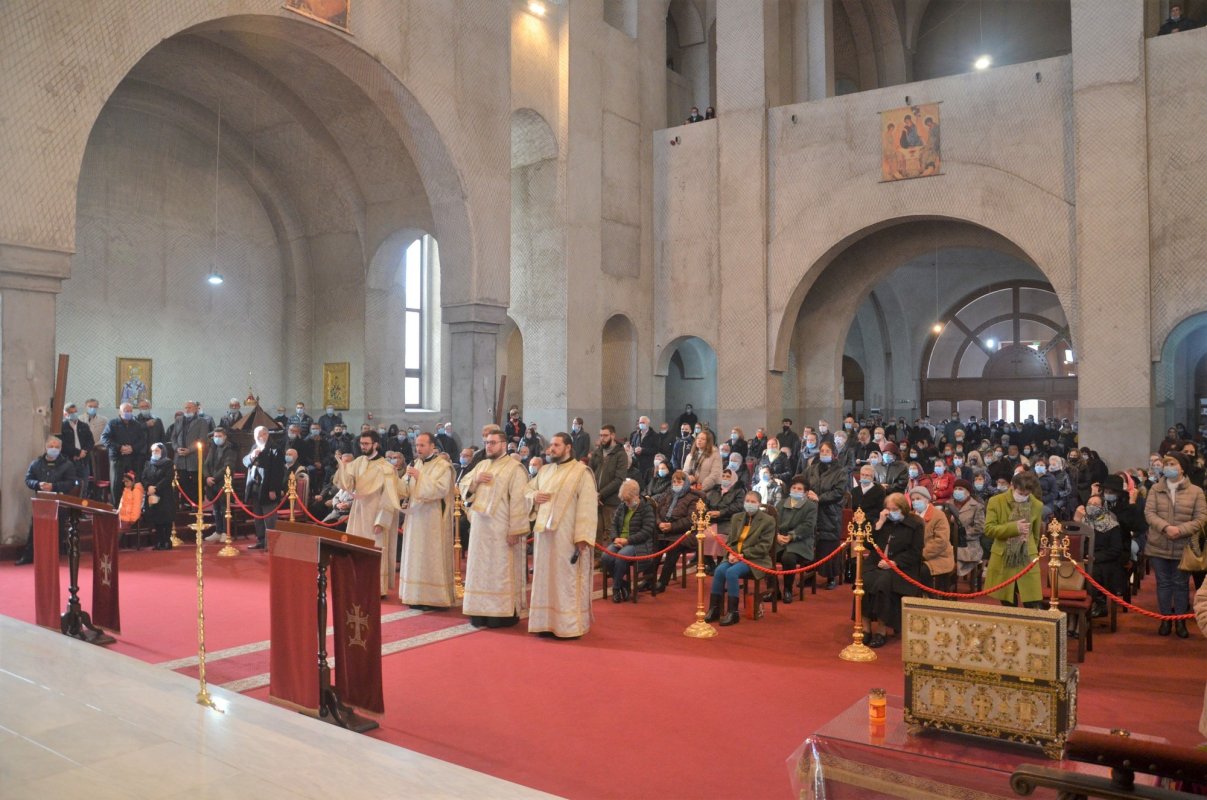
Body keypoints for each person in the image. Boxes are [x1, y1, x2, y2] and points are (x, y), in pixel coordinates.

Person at [527, 433, 599, 637]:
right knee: (545, 578)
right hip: (544, 536)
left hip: (567, 536)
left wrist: (582, 537)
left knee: (565, 579)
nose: (551, 449)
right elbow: (527, 490)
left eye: (556, 445)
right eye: (551, 445)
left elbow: (587, 507)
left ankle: (568, 626)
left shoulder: (581, 472)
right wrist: (534, 496)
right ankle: (545, 623)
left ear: (568, 447)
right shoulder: (545, 471)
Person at [459, 429, 531, 629]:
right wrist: (475, 481)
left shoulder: (514, 469)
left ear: (503, 444)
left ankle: (501, 614)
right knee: (479, 571)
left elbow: (519, 501)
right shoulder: (481, 465)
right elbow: (463, 486)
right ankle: (478, 611)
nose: (488, 446)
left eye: (492, 442)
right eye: (486, 442)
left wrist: (515, 530)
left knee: (500, 571)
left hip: (501, 531)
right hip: (480, 529)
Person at [1144, 452, 1207, 638]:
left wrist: (1180, 530)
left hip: (1183, 545)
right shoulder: (1156, 489)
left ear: (1182, 467)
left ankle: (1180, 621)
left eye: (1172, 463)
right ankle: (1165, 619)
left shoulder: (1196, 491)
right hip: (1159, 544)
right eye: (1166, 463)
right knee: (1163, 584)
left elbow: (1201, 518)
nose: (1168, 466)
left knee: (1181, 584)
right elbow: (1149, 513)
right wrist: (1166, 528)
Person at [334, 431, 403, 594]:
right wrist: (342, 467)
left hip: (375, 514)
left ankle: (375, 587)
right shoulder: (359, 462)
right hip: (358, 511)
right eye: (361, 444)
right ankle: (357, 583)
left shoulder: (387, 468)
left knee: (374, 549)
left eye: (366, 444)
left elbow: (389, 496)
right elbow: (347, 485)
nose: (363, 447)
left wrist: (382, 520)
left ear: (375, 444)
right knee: (356, 547)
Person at [397, 432, 455, 610]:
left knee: (430, 556)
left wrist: (420, 477)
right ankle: (414, 595)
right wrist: (393, 478)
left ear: (432, 447)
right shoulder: (415, 464)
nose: (418, 449)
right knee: (415, 555)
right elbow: (405, 490)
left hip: (433, 518)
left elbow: (441, 490)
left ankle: (433, 598)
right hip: (415, 517)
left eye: (422, 445)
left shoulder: (443, 466)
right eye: (417, 446)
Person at [861, 493, 925, 648]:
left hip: (902, 568)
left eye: (894, 509)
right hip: (878, 563)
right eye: (888, 509)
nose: (891, 512)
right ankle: (865, 628)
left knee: (883, 583)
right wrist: (879, 524)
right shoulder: (884, 521)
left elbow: (915, 552)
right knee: (864, 581)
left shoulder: (916, 524)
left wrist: (893, 563)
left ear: (903, 508)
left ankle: (881, 630)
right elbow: (868, 545)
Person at [703, 492, 775, 627]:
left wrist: (743, 555)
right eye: (747, 501)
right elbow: (730, 541)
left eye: (753, 502)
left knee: (731, 573)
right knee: (719, 571)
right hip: (734, 556)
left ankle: (733, 612)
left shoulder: (768, 520)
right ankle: (714, 609)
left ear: (759, 504)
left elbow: (764, 547)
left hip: (755, 559)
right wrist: (731, 553)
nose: (750, 504)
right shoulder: (737, 518)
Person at [15, 437, 79, 565]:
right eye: (51, 446)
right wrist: (38, 484)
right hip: (41, 501)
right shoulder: (36, 463)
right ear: (46, 447)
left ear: (60, 449)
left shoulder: (67, 464)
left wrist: (54, 486)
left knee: (57, 530)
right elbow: (28, 480)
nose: (53, 449)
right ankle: (28, 556)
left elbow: (71, 483)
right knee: (35, 529)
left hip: (59, 502)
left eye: (56, 447)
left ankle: (52, 557)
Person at [984, 471, 1044, 608]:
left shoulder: (1037, 505)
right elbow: (989, 529)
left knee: (1032, 602)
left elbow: (1035, 535)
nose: (1022, 497)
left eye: (1026, 494)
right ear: (1012, 486)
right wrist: (1014, 528)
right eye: (1020, 493)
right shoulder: (996, 501)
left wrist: (1027, 547)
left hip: (1026, 557)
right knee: (1008, 602)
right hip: (1003, 556)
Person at [647, 470, 703, 593]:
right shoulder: (668, 494)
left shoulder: (693, 499)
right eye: (674, 482)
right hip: (665, 529)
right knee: (655, 543)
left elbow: (690, 520)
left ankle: (662, 581)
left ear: (686, 483)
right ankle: (649, 578)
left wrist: (672, 526)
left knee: (673, 546)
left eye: (679, 481)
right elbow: (657, 511)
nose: (676, 484)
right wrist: (659, 523)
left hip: (685, 533)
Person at [601, 479, 656, 602]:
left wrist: (627, 540)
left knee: (621, 557)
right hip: (620, 541)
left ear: (636, 496)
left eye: (628, 500)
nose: (626, 503)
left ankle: (616, 588)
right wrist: (616, 538)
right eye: (624, 501)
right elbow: (614, 524)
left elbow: (646, 531)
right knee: (605, 556)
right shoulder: (622, 506)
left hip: (638, 543)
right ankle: (623, 583)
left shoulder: (646, 508)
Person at [1073, 493, 1126, 619]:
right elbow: (1071, 543)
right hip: (1082, 559)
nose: (1091, 507)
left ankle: (1099, 604)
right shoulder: (1082, 521)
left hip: (1104, 560)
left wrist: (1094, 557)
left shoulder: (1111, 525)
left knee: (1093, 572)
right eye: (1089, 504)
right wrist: (1076, 521)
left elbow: (1116, 550)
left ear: (1103, 507)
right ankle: (1073, 610)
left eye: (1096, 505)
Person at [804, 441, 848, 589]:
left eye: (827, 451)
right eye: (822, 451)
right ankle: (808, 575)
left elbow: (838, 492)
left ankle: (831, 577)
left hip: (830, 512)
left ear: (834, 454)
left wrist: (819, 498)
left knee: (828, 544)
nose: (823, 453)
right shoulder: (813, 468)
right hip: (811, 511)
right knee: (810, 542)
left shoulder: (840, 471)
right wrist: (806, 493)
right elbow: (804, 483)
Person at [768, 476, 817, 603]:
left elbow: (807, 526)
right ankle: (773, 590)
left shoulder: (810, 506)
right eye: (794, 487)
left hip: (801, 541)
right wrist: (776, 535)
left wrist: (791, 536)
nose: (795, 490)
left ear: (806, 493)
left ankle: (788, 590)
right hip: (780, 539)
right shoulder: (781, 503)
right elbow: (773, 522)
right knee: (766, 554)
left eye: (799, 489)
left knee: (787, 557)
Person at [100, 402, 147, 507]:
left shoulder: (136, 424)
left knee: (132, 483)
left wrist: (132, 448)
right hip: (117, 458)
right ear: (120, 412)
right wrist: (119, 447)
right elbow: (104, 438)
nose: (128, 413)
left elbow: (142, 440)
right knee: (116, 484)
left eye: (130, 411)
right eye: (126, 411)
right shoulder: (112, 423)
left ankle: (132, 507)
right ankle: (116, 507)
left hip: (133, 459)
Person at [200, 427, 241, 542]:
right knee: (216, 508)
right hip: (212, 483)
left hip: (223, 482)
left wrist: (214, 478)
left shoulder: (230, 448)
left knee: (224, 508)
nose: (217, 439)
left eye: (219, 436)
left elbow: (228, 466)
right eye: (215, 436)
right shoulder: (212, 447)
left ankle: (225, 532)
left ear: (225, 436)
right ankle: (218, 531)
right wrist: (207, 477)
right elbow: (206, 464)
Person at [909, 486, 954, 588]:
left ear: (927, 499)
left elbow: (941, 541)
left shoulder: (938, 515)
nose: (915, 502)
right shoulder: (911, 516)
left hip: (937, 557)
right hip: (915, 556)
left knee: (921, 571)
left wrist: (921, 555)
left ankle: (927, 599)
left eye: (918, 499)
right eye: (913, 500)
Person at [141, 442, 177, 550]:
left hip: (164, 494)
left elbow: (168, 478)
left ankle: (166, 540)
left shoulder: (168, 463)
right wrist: (148, 487)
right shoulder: (148, 463)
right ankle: (159, 540)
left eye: (157, 451)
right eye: (153, 451)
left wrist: (156, 488)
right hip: (152, 494)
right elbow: (144, 477)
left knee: (166, 518)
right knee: (156, 518)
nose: (154, 453)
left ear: (162, 451)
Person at [950, 479, 986, 586]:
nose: (957, 491)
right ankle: (946, 584)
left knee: (955, 557)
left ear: (968, 492)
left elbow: (980, 528)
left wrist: (961, 533)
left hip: (968, 543)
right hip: (949, 541)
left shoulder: (977, 506)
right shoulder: (948, 504)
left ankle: (951, 584)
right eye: (955, 489)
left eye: (960, 489)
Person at [171, 401, 210, 490]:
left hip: (194, 458)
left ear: (196, 409)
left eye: (190, 407)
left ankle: (195, 503)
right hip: (179, 458)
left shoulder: (202, 421)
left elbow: (202, 439)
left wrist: (189, 450)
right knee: (181, 484)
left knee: (195, 486)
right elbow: (173, 437)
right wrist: (177, 449)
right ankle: (183, 503)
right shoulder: (179, 420)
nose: (187, 410)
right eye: (186, 408)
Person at [60, 403, 95, 485]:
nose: (74, 414)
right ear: (65, 414)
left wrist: (84, 452)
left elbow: (90, 441)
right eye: (71, 412)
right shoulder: (61, 427)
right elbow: (62, 444)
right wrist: (77, 452)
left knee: (83, 486)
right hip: (68, 461)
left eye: (75, 411)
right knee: (69, 487)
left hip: (83, 460)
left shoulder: (84, 426)